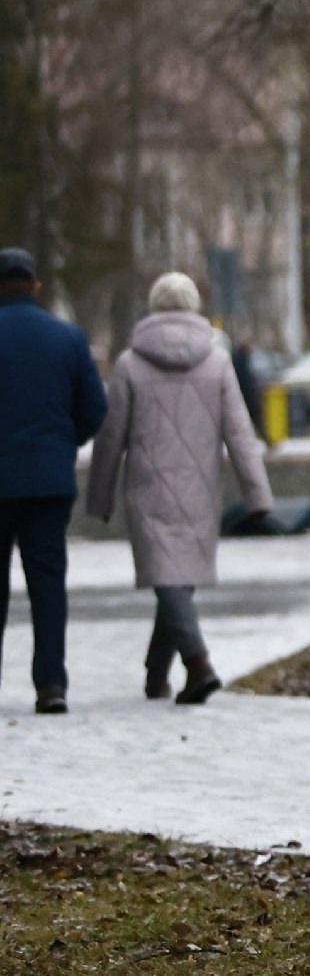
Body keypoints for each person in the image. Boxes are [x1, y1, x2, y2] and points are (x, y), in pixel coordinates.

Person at [85, 271, 274, 705]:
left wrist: (99, 497)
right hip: (199, 490)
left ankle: (198, 663)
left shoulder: (131, 364)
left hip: (147, 490)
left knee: (169, 581)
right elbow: (240, 432)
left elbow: (111, 436)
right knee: (175, 582)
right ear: (193, 308)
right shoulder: (218, 362)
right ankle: (156, 675)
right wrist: (257, 495)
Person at [0, 247, 108, 714]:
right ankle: (51, 685)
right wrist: (61, 445)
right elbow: (94, 411)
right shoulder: (67, 338)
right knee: (47, 583)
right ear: (36, 285)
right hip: (48, 481)